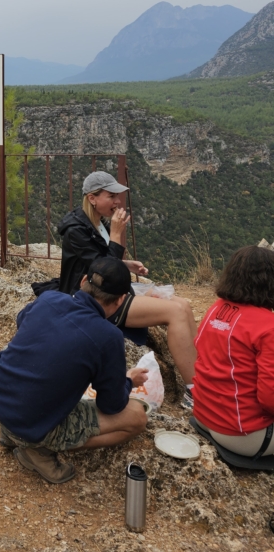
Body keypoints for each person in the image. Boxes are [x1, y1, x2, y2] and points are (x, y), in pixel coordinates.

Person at [0, 257, 149, 483]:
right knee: (136, 417)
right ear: (120, 301)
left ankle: (10, 433)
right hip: (30, 423)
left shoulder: (49, 298)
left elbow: (22, 321)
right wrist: (127, 381)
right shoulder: (108, 337)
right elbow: (111, 405)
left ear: (82, 282)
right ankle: (37, 450)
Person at [58, 170, 197, 403]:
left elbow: (97, 261)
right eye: (110, 196)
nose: (117, 201)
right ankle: (195, 392)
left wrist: (127, 265)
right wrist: (116, 235)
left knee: (182, 304)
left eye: (117, 196)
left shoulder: (94, 222)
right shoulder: (76, 231)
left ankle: (201, 371)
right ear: (92, 198)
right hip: (96, 298)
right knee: (175, 312)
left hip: (108, 288)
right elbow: (103, 269)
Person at [192, 245, 274, 459]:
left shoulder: (216, 309)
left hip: (203, 416)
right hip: (242, 434)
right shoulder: (268, 326)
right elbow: (269, 398)